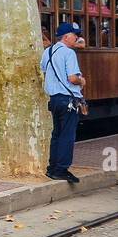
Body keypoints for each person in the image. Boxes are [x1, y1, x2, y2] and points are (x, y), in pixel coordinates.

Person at [41, 21, 85, 183]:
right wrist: (82, 81)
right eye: (75, 35)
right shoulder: (69, 53)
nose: (77, 38)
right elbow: (72, 78)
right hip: (68, 100)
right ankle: (61, 169)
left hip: (54, 99)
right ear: (66, 37)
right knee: (67, 135)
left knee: (57, 134)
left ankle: (52, 168)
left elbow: (45, 70)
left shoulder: (48, 51)